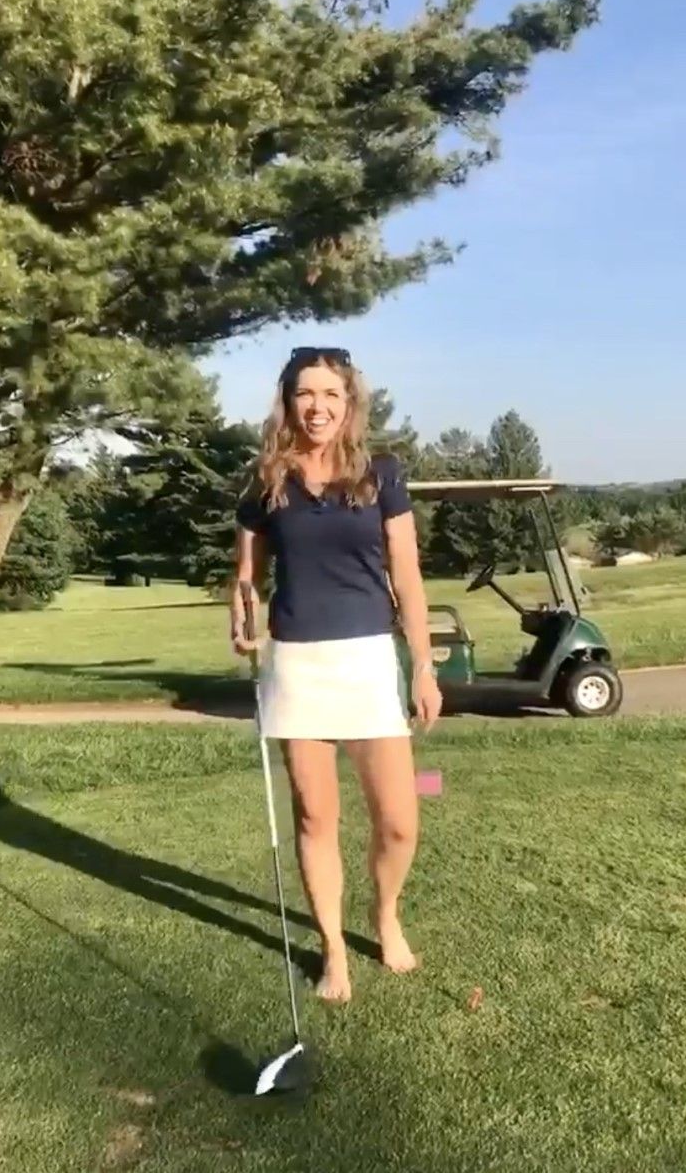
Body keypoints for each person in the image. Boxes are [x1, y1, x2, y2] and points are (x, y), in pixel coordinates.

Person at [230, 347, 442, 1004]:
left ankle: (385, 916)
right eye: (305, 394)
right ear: (287, 401)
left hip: (370, 661)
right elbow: (246, 577)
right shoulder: (267, 480)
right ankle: (334, 951)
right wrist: (242, 618)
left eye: (330, 394)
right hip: (298, 664)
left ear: (349, 403)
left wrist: (424, 665)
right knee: (316, 818)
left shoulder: (382, 474)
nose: (317, 406)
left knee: (400, 822)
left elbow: (406, 576)